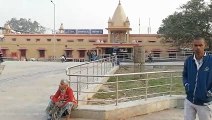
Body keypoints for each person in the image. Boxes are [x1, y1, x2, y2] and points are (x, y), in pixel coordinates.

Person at [183, 37, 212, 120]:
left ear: (205, 46)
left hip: (205, 103)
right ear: (192, 46)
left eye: (200, 45)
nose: (198, 47)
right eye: (195, 45)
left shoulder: (210, 61)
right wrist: (186, 85)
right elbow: (185, 75)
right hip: (189, 100)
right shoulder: (188, 60)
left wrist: (210, 93)